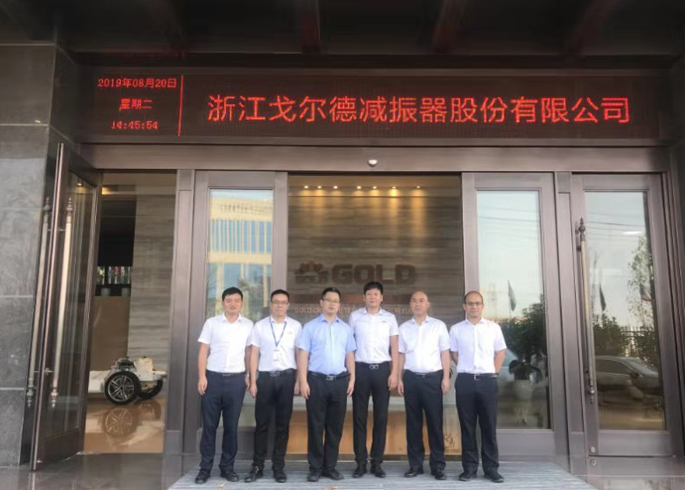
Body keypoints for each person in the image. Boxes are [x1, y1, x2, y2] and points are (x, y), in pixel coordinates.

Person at [297, 287, 357, 482]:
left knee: (335, 427)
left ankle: (330, 467)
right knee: (315, 426)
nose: (332, 304)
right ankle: (315, 468)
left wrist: (352, 378)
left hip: (339, 382)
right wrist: (303, 380)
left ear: (339, 305)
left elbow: (350, 355)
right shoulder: (310, 327)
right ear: (321, 302)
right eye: (328, 300)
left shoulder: (345, 329)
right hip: (316, 381)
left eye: (335, 301)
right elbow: (303, 355)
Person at [195, 287, 253, 485]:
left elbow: (249, 353)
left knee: (231, 427)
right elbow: (203, 351)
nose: (233, 304)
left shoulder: (248, 325)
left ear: (242, 303)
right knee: (209, 426)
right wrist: (202, 376)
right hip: (212, 379)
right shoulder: (211, 323)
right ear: (223, 303)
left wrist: (248, 375)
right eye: (229, 300)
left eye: (237, 300)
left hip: (236, 381)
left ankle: (227, 467)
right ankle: (205, 468)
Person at [245, 289, 302, 484]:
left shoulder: (295, 326)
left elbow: (299, 355)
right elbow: (254, 354)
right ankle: (257, 465)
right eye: (276, 302)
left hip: (287, 378)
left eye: (283, 302)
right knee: (262, 424)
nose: (279, 305)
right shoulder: (260, 326)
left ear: (288, 305)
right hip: (265, 379)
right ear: (271, 304)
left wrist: (298, 380)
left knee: (282, 425)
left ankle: (278, 467)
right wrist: (253, 380)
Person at [450, 291, 507, 483]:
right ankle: (469, 468)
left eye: (477, 303)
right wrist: (467, 368)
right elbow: (454, 354)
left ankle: (491, 469)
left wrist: (493, 372)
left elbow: (501, 352)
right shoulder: (456, 329)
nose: (473, 306)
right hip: (465, 381)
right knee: (467, 426)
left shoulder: (493, 328)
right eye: (470, 303)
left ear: (482, 306)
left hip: (487, 381)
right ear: (464, 306)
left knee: (488, 426)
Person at [397, 291, 450, 480]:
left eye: (421, 300)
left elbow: (445, 353)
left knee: (435, 423)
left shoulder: (438, 326)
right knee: (413, 424)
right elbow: (401, 355)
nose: (418, 304)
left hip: (432, 379)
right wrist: (399, 378)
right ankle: (415, 465)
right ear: (410, 305)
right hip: (411, 379)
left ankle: (438, 466)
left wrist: (445, 377)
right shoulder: (404, 328)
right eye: (414, 301)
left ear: (428, 304)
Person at [348, 281, 399, 478]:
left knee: (381, 417)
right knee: (359, 417)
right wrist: (351, 374)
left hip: (382, 370)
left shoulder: (390, 318)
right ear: (364, 297)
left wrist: (394, 373)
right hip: (360, 369)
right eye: (369, 294)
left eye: (376, 294)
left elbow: (394, 348)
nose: (372, 297)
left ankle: (377, 462)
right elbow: (350, 347)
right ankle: (360, 462)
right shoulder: (355, 317)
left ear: (381, 297)